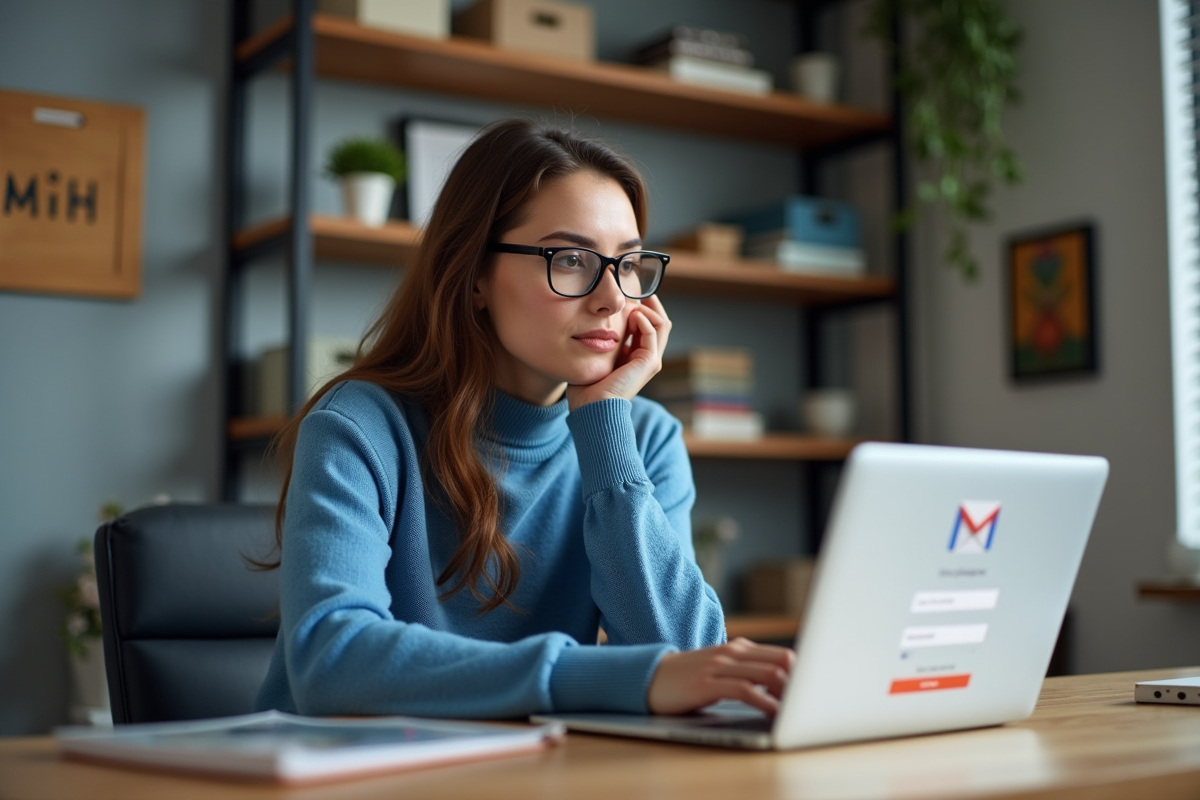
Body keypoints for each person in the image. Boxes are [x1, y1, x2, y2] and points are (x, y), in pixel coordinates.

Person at [254, 118, 793, 720]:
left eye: (628, 263)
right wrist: (587, 677)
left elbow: (687, 663)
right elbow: (332, 662)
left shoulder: (642, 437)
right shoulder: (361, 425)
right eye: (571, 259)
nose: (614, 298)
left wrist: (605, 430)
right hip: (346, 764)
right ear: (474, 276)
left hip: (532, 764)